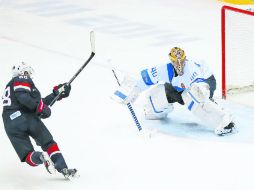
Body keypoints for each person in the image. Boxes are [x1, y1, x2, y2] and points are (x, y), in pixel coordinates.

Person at [112, 47, 236, 135]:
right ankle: (157, 110)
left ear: (185, 58)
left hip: (206, 81)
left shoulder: (191, 69)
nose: (179, 65)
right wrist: (133, 92)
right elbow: (145, 79)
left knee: (194, 97)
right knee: (155, 103)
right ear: (171, 61)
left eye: (181, 61)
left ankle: (225, 119)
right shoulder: (164, 69)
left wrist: (204, 93)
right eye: (176, 62)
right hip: (180, 87)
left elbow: (200, 84)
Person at [1, 62, 78, 179]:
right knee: (48, 144)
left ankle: (41, 157)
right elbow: (24, 99)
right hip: (26, 117)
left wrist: (56, 94)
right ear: (23, 72)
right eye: (27, 72)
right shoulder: (21, 79)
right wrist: (40, 108)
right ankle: (63, 168)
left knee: (27, 155)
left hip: (10, 123)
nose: (29, 75)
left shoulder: (12, 87)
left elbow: (35, 103)